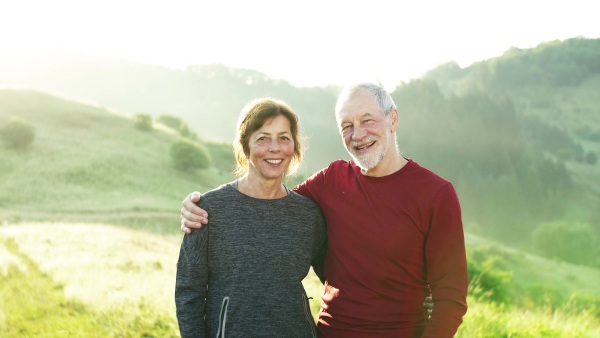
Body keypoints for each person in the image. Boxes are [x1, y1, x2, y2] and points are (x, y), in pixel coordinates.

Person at [180, 83, 468, 337]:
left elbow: (451, 298)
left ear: (393, 119)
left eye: (367, 120)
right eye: (347, 125)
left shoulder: (436, 194)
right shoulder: (332, 180)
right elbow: (272, 200)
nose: (358, 134)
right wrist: (197, 206)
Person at [175, 98, 328, 337]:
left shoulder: (307, 214)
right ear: (245, 147)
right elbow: (188, 292)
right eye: (263, 138)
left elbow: (337, 276)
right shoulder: (208, 210)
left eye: (284, 138)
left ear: (294, 147)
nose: (275, 147)